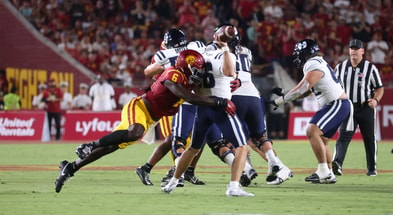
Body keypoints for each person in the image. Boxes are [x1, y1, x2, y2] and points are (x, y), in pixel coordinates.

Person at [54, 49, 236, 193]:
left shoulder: (190, 80)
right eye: (196, 69)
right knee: (135, 132)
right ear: (186, 67)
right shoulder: (173, 74)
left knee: (112, 146)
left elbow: (204, 90)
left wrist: (231, 85)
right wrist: (219, 102)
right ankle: (90, 145)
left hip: (151, 118)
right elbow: (187, 96)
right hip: (140, 107)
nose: (200, 72)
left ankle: (71, 167)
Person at [161, 30, 254, 197]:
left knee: (193, 148)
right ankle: (234, 187)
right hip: (221, 106)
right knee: (242, 147)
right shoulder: (226, 55)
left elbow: (193, 82)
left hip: (203, 107)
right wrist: (226, 50)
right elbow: (230, 72)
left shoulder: (202, 56)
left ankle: (172, 182)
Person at [269, 39, 351, 184]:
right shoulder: (319, 62)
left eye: (299, 53)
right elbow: (306, 92)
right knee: (323, 140)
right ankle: (329, 173)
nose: (298, 56)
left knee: (312, 131)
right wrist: (283, 92)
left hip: (336, 103)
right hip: (338, 104)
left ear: (306, 53)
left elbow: (302, 88)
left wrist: (279, 101)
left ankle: (323, 171)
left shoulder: (312, 63)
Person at [225, 26, 293, 185]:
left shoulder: (222, 53)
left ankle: (247, 169)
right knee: (260, 137)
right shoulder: (247, 51)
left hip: (235, 97)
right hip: (255, 96)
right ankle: (273, 163)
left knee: (232, 140)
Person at [332, 39, 384, 177]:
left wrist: (376, 100)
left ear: (362, 51)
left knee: (369, 138)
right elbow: (333, 86)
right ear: (348, 51)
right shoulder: (340, 68)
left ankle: (372, 167)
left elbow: (379, 88)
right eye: (351, 48)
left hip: (365, 106)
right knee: (343, 136)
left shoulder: (370, 68)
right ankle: (337, 164)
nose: (353, 51)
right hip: (348, 107)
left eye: (357, 48)